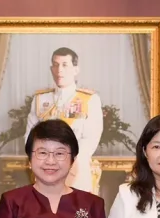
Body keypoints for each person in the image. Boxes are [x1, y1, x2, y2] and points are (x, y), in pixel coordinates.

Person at [24, 47, 103, 193]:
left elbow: (91, 138)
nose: (59, 70)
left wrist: (66, 159)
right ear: (51, 68)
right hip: (44, 169)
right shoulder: (40, 100)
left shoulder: (89, 99)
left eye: (65, 65)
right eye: (55, 64)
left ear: (75, 69)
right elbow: (29, 136)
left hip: (76, 169)